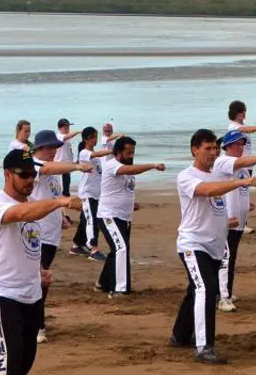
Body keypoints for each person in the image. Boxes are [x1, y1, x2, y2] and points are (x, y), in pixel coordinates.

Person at [0, 149, 79, 375]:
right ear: (7, 174)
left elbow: (27, 243)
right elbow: (21, 215)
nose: (29, 181)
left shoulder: (34, 206)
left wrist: (38, 271)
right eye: (24, 176)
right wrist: (60, 201)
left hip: (30, 293)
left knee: (26, 358)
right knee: (9, 357)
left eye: (33, 176)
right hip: (2, 291)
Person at [171, 129, 256, 365]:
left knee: (196, 289)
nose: (212, 153)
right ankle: (204, 346)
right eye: (207, 148)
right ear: (194, 150)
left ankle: (179, 335)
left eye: (215, 149)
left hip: (214, 246)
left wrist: (227, 220)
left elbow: (216, 204)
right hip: (193, 243)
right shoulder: (186, 176)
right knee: (207, 289)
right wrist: (241, 181)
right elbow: (207, 191)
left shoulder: (218, 177)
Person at [29, 130, 93, 341]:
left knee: (42, 278)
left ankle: (35, 322)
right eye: (50, 148)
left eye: (56, 148)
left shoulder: (52, 173)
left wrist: (62, 216)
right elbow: (46, 168)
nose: (54, 152)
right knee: (38, 278)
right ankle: (36, 325)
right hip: (36, 232)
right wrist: (77, 166)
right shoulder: (35, 165)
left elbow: (53, 197)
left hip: (50, 233)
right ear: (40, 148)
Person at [214, 131, 256, 313]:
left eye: (242, 144)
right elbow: (242, 163)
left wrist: (245, 204)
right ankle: (223, 297)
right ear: (227, 146)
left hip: (239, 220)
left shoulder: (239, 167)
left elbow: (239, 186)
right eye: (237, 144)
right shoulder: (223, 161)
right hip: (227, 220)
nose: (241, 147)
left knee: (231, 257)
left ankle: (224, 292)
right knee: (225, 258)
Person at [97, 136, 162, 296]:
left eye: (133, 152)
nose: (132, 155)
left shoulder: (126, 165)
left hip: (124, 216)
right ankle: (119, 289)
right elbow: (132, 170)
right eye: (128, 152)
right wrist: (153, 165)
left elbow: (125, 188)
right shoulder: (112, 164)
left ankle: (103, 283)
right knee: (121, 248)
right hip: (108, 215)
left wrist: (131, 203)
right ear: (118, 152)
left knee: (117, 250)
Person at [69, 127, 112, 259]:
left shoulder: (96, 156)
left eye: (96, 137)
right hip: (87, 193)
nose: (95, 139)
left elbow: (103, 157)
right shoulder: (83, 153)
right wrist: (112, 151)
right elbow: (96, 154)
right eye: (93, 137)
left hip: (97, 193)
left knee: (85, 219)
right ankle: (93, 249)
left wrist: (108, 137)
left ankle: (76, 245)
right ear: (86, 139)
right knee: (92, 220)